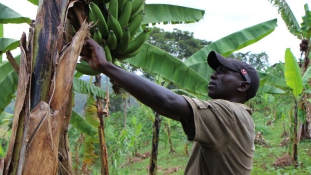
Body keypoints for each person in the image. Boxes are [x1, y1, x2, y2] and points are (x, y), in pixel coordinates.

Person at [82, 38, 260, 175]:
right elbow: (165, 108)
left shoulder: (230, 114)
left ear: (243, 86)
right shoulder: (235, 116)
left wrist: (107, 67)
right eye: (215, 71)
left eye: (222, 72)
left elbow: (167, 102)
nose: (213, 76)